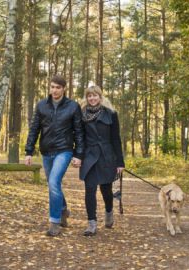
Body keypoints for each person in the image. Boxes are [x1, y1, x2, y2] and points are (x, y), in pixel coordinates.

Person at [25, 75, 84, 237]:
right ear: (49, 88)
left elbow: (79, 132)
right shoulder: (42, 105)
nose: (55, 90)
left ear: (64, 88)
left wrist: (78, 154)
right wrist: (29, 151)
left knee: (53, 182)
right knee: (53, 185)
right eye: (52, 87)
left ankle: (54, 222)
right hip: (46, 151)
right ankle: (64, 210)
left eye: (58, 87)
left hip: (64, 150)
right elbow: (34, 129)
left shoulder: (73, 106)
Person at [79, 85, 125, 236]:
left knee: (106, 190)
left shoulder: (111, 114)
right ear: (86, 98)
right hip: (90, 157)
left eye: (95, 95)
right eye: (89, 96)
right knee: (90, 189)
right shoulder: (81, 114)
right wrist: (78, 156)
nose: (92, 98)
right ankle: (91, 223)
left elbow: (116, 139)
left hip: (107, 156)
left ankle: (109, 212)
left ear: (100, 97)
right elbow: (79, 138)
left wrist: (120, 162)